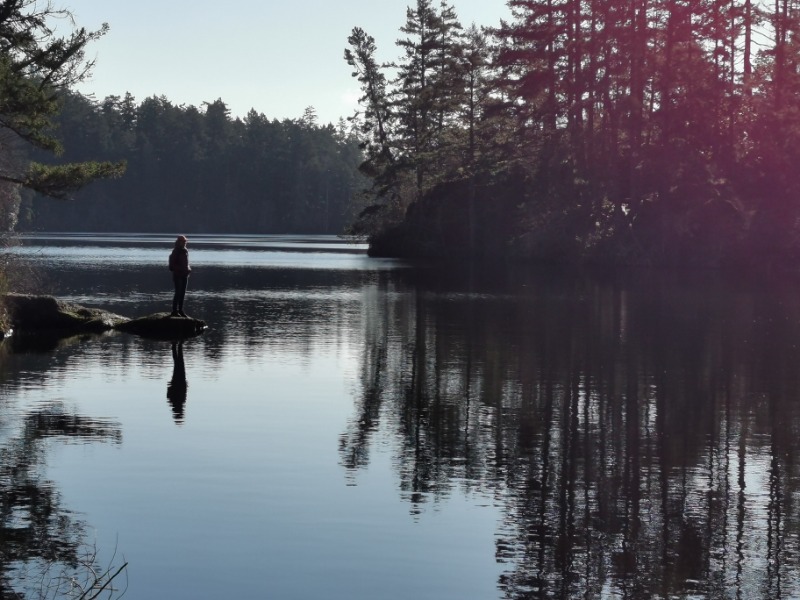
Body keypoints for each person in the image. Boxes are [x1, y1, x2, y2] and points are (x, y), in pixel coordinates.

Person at [168, 235, 191, 317]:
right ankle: (174, 311)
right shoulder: (176, 251)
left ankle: (181, 311)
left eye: (185, 241)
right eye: (183, 241)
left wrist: (188, 268)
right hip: (178, 275)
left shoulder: (185, 251)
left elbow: (186, 263)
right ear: (179, 242)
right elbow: (172, 265)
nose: (185, 242)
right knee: (178, 293)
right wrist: (181, 269)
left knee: (183, 293)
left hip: (185, 275)